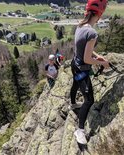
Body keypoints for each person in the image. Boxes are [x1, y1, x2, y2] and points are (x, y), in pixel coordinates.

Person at [70, 0, 110, 144]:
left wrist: (95, 55)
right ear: (99, 14)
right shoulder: (92, 33)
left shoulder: (80, 25)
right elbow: (87, 59)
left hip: (74, 64)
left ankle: (73, 104)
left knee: (75, 84)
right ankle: (79, 130)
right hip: (82, 69)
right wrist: (102, 62)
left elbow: (82, 49)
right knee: (89, 100)